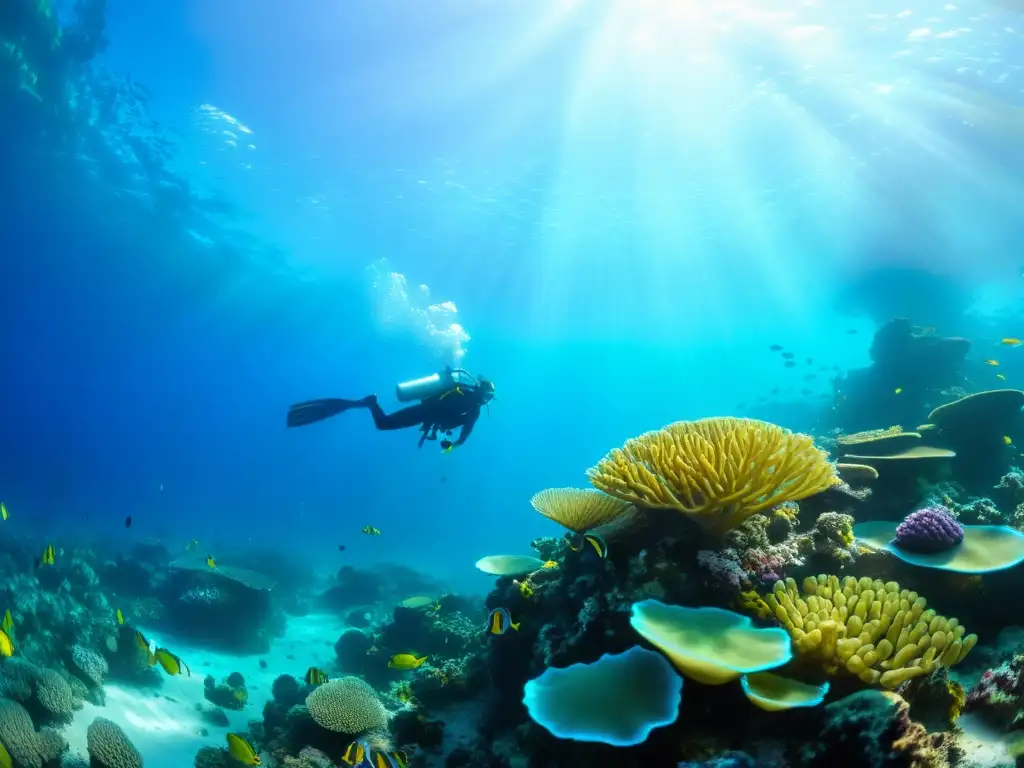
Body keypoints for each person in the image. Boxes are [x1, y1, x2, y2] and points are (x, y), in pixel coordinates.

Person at [286, 367, 495, 451]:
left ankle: (366, 403)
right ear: (484, 394)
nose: (487, 400)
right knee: (383, 424)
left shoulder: (463, 392)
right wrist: (455, 445)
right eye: (488, 397)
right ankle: (370, 402)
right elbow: (465, 433)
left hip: (424, 412)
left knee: (383, 424)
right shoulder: (474, 408)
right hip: (424, 414)